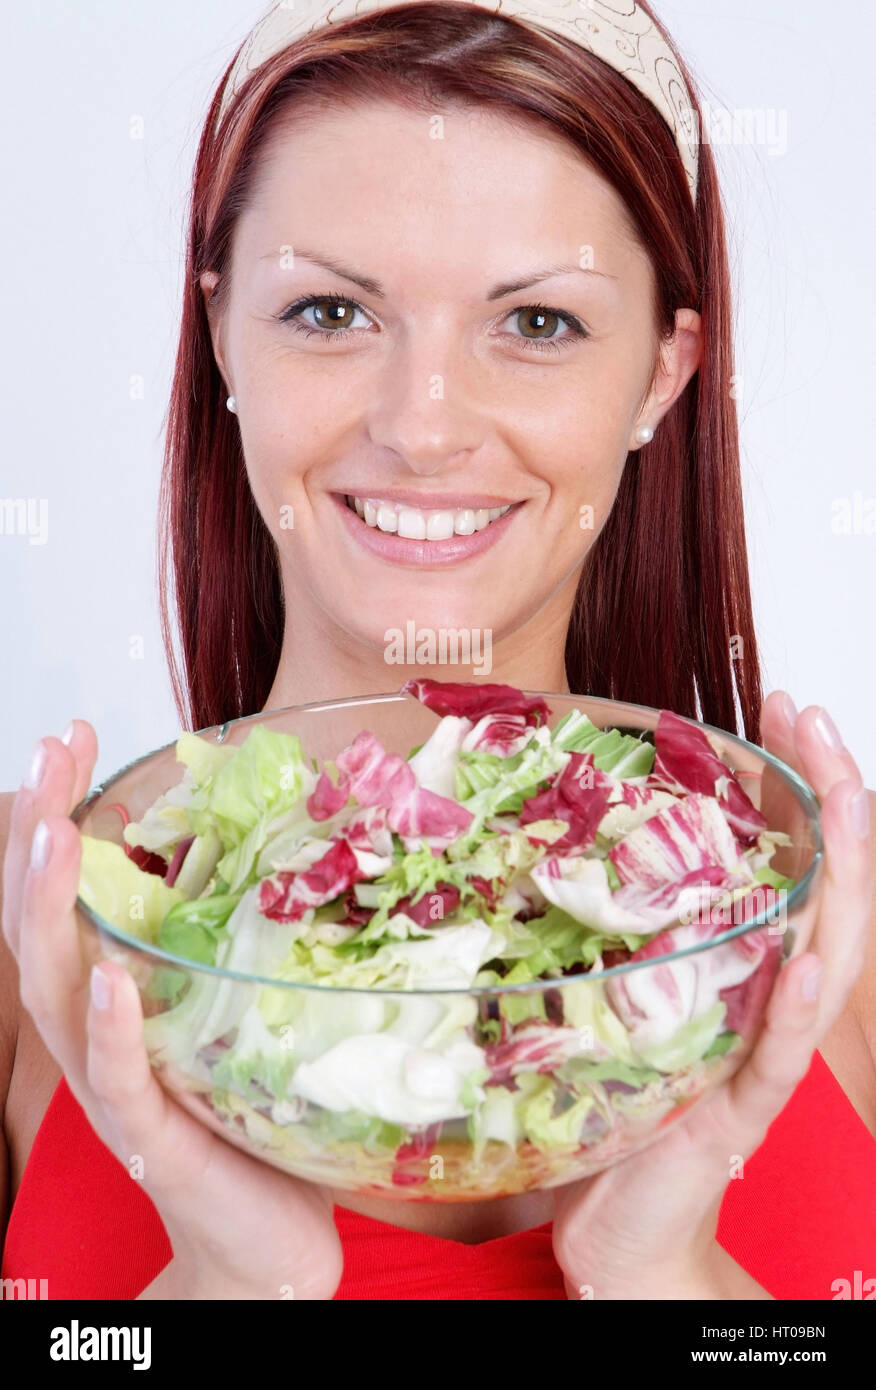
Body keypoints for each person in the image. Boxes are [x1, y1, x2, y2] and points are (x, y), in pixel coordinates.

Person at [2, 0, 874, 1302]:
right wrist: (234, 1288)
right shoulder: (38, 937)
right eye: (331, 312)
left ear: (663, 371)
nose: (424, 425)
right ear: (224, 328)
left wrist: (661, 1274)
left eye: (536, 324)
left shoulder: (835, 935)